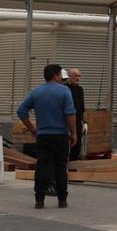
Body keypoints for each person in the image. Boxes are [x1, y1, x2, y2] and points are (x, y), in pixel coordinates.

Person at [17, 63, 77, 209]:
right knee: (60, 166)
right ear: (55, 75)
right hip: (60, 135)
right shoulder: (64, 91)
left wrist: (32, 129)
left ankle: (39, 200)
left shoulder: (36, 91)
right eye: (60, 75)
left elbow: (21, 111)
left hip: (43, 135)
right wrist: (74, 132)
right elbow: (70, 114)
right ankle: (62, 200)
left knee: (42, 166)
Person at [66, 68, 86, 161]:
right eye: (75, 76)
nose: (78, 78)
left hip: (78, 121)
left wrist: (84, 121)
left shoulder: (80, 89)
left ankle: (74, 162)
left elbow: (81, 107)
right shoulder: (65, 89)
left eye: (79, 76)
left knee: (77, 144)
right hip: (67, 120)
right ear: (69, 76)